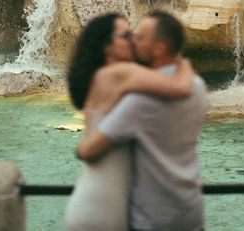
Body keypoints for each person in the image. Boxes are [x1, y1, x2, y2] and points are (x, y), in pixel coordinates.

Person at [77, 12, 208, 231]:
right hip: (191, 213)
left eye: (139, 38)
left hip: (154, 220)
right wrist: (183, 63)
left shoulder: (141, 101)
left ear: (158, 48)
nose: (133, 43)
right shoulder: (198, 87)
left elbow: (89, 150)